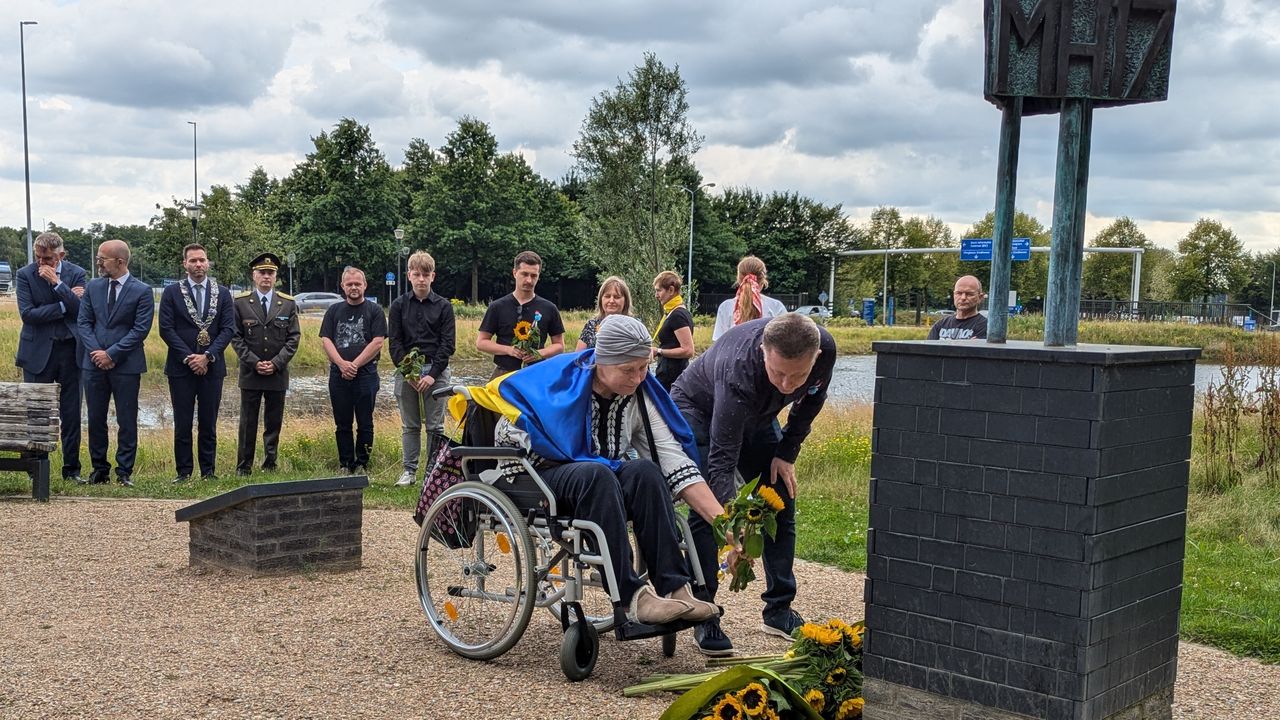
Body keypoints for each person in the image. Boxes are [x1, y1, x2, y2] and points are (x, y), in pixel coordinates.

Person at [470, 315, 724, 625]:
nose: (638, 378)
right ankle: (633, 597)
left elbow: (672, 459)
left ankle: (677, 591)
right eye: (628, 370)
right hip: (536, 477)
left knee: (645, 471)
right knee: (596, 474)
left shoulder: (640, 395)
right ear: (601, 361)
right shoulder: (560, 383)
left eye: (644, 367)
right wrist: (542, 438)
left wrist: (723, 523)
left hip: (597, 480)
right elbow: (506, 429)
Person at [672, 312, 836, 656]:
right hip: (698, 409)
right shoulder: (739, 369)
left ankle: (778, 610)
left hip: (757, 415)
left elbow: (811, 402)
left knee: (779, 498)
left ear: (816, 357)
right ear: (763, 351)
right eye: (778, 373)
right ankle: (704, 611)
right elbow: (721, 463)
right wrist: (734, 530)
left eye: (798, 375)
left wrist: (787, 452)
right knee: (707, 512)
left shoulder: (825, 350)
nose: (788, 385)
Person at [77, 239, 153, 487]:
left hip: (126, 366)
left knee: (127, 420)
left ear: (120, 261)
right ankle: (99, 470)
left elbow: (140, 329)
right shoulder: (94, 287)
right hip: (93, 364)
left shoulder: (142, 291)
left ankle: (124, 471)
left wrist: (112, 353)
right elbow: (84, 323)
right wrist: (98, 351)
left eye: (103, 258)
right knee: (96, 418)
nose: (98, 262)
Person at [159, 244, 236, 483]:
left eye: (202, 260)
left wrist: (208, 356)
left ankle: (208, 471)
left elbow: (228, 329)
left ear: (208, 262)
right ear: (185, 265)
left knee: (208, 422)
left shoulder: (222, 293)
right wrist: (189, 357)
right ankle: (183, 472)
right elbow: (166, 330)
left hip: (212, 366)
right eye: (193, 261)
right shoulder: (171, 293)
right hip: (181, 367)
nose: (198, 265)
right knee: (182, 422)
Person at [16, 232, 88, 484]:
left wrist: (58, 284)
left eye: (47, 259)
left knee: (71, 413)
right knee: (35, 412)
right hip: (37, 352)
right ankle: (35, 468)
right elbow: (28, 314)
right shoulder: (25, 275)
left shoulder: (77, 273)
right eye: (39, 258)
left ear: (61, 256)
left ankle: (71, 470)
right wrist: (64, 303)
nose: (42, 264)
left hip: (70, 351)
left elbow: (81, 310)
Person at [389, 251, 456, 487]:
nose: (421, 279)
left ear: (433, 276)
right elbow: (395, 343)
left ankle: (432, 472)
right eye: (416, 274)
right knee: (410, 424)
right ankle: (409, 471)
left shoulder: (444, 306)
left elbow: (448, 344)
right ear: (409, 275)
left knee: (436, 425)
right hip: (407, 370)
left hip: (436, 370)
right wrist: (408, 372)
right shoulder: (398, 306)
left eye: (425, 275)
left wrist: (432, 375)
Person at [231, 253, 301, 477]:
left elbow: (293, 338)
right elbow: (235, 337)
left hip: (276, 373)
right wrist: (254, 362)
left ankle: (270, 463)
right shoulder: (241, 303)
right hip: (251, 372)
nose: (266, 277)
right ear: (254, 275)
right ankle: (244, 466)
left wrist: (276, 363)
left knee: (273, 422)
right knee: (248, 422)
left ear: (276, 276)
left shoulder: (287, 304)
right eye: (262, 272)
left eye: (270, 273)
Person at [319, 267, 387, 475]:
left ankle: (362, 464)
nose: (354, 287)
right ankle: (345, 463)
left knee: (365, 422)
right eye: (349, 284)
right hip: (338, 375)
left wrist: (355, 364)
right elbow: (326, 339)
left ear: (365, 285)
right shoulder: (334, 311)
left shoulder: (374, 311)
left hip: (366, 374)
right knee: (342, 423)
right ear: (343, 286)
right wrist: (341, 364)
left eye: (358, 283)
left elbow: (377, 342)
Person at [476, 250, 565, 378]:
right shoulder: (497, 307)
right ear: (515, 273)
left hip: (536, 374)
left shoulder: (549, 308)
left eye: (533, 276)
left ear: (539, 276)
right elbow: (481, 342)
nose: (529, 280)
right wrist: (508, 350)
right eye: (524, 274)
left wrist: (539, 353)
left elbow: (559, 345)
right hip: (503, 374)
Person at [711, 256, 787, 341]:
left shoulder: (726, 307)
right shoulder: (776, 307)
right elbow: (785, 343)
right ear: (763, 280)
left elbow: (718, 344)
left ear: (739, 279)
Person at [651, 270, 695, 390]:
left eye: (658, 290)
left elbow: (688, 350)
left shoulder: (678, 315)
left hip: (672, 378)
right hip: (666, 374)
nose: (656, 295)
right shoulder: (672, 312)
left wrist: (659, 351)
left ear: (671, 290)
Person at [575, 275, 632, 350]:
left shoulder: (633, 325)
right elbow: (578, 357)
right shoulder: (592, 325)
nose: (611, 301)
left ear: (626, 301)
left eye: (617, 297)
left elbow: (645, 353)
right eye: (607, 296)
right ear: (600, 299)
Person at [928, 275, 988, 340]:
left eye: (969, 294)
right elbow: (927, 349)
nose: (963, 298)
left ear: (980, 297)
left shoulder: (986, 327)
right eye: (959, 293)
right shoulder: (940, 325)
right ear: (954, 295)